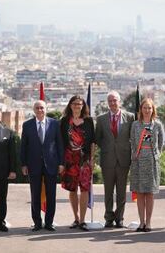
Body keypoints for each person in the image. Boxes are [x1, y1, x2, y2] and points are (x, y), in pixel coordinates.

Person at [20, 100, 64, 231]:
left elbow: (59, 144)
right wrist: (23, 164)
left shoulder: (55, 124)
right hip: (33, 165)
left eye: (42, 108)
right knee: (35, 195)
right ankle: (37, 223)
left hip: (51, 164)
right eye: (37, 108)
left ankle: (49, 222)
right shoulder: (27, 125)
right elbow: (23, 146)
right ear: (34, 110)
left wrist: (61, 163)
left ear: (46, 109)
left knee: (51, 195)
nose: (40, 110)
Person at [95, 91, 135, 228]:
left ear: (120, 101)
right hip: (107, 159)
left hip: (123, 159)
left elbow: (133, 136)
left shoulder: (130, 117)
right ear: (108, 103)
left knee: (121, 191)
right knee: (108, 191)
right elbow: (98, 138)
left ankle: (119, 218)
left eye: (115, 100)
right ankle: (108, 218)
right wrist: (108, 148)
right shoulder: (101, 119)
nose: (112, 103)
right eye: (110, 101)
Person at [60, 95, 95, 231]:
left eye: (79, 104)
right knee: (72, 189)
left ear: (83, 106)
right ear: (70, 105)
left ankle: (82, 220)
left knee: (85, 189)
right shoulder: (64, 121)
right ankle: (75, 218)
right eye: (74, 104)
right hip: (69, 160)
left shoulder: (89, 121)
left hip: (84, 160)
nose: (77, 106)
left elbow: (92, 141)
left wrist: (92, 159)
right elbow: (61, 143)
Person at [129, 98, 163, 232]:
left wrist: (156, 156)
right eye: (145, 108)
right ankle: (141, 222)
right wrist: (135, 155)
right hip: (138, 161)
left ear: (153, 110)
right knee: (140, 193)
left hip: (151, 161)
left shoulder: (157, 125)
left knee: (149, 193)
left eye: (149, 108)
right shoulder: (135, 125)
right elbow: (132, 141)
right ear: (141, 110)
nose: (147, 110)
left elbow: (160, 144)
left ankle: (148, 222)